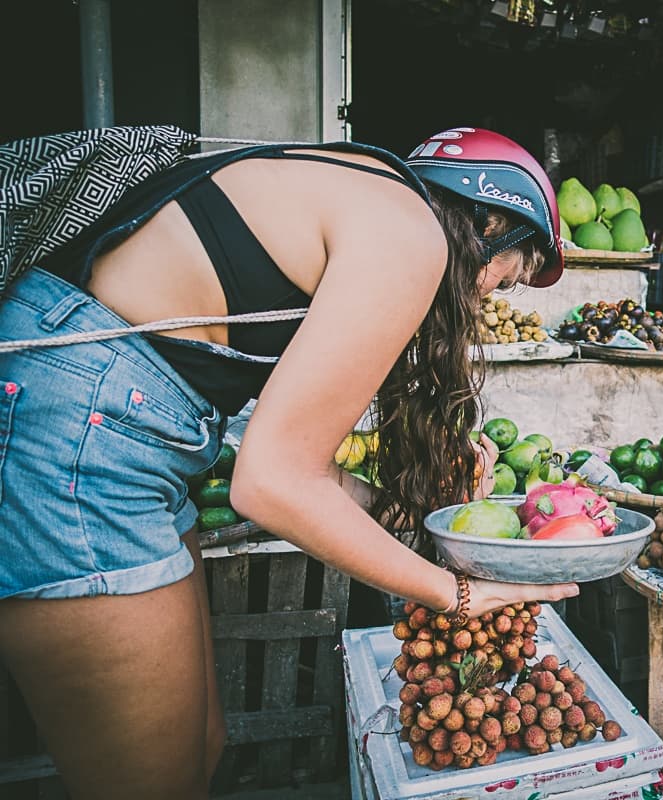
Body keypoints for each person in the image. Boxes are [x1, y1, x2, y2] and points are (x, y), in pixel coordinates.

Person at [0, 126, 579, 799]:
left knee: (198, 748)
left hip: (122, 423)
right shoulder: (407, 237)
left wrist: (405, 511)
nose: (486, 301)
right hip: (82, 432)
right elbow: (269, 486)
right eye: (505, 279)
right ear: (490, 223)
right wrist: (458, 596)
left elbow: (287, 463)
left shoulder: (370, 192)